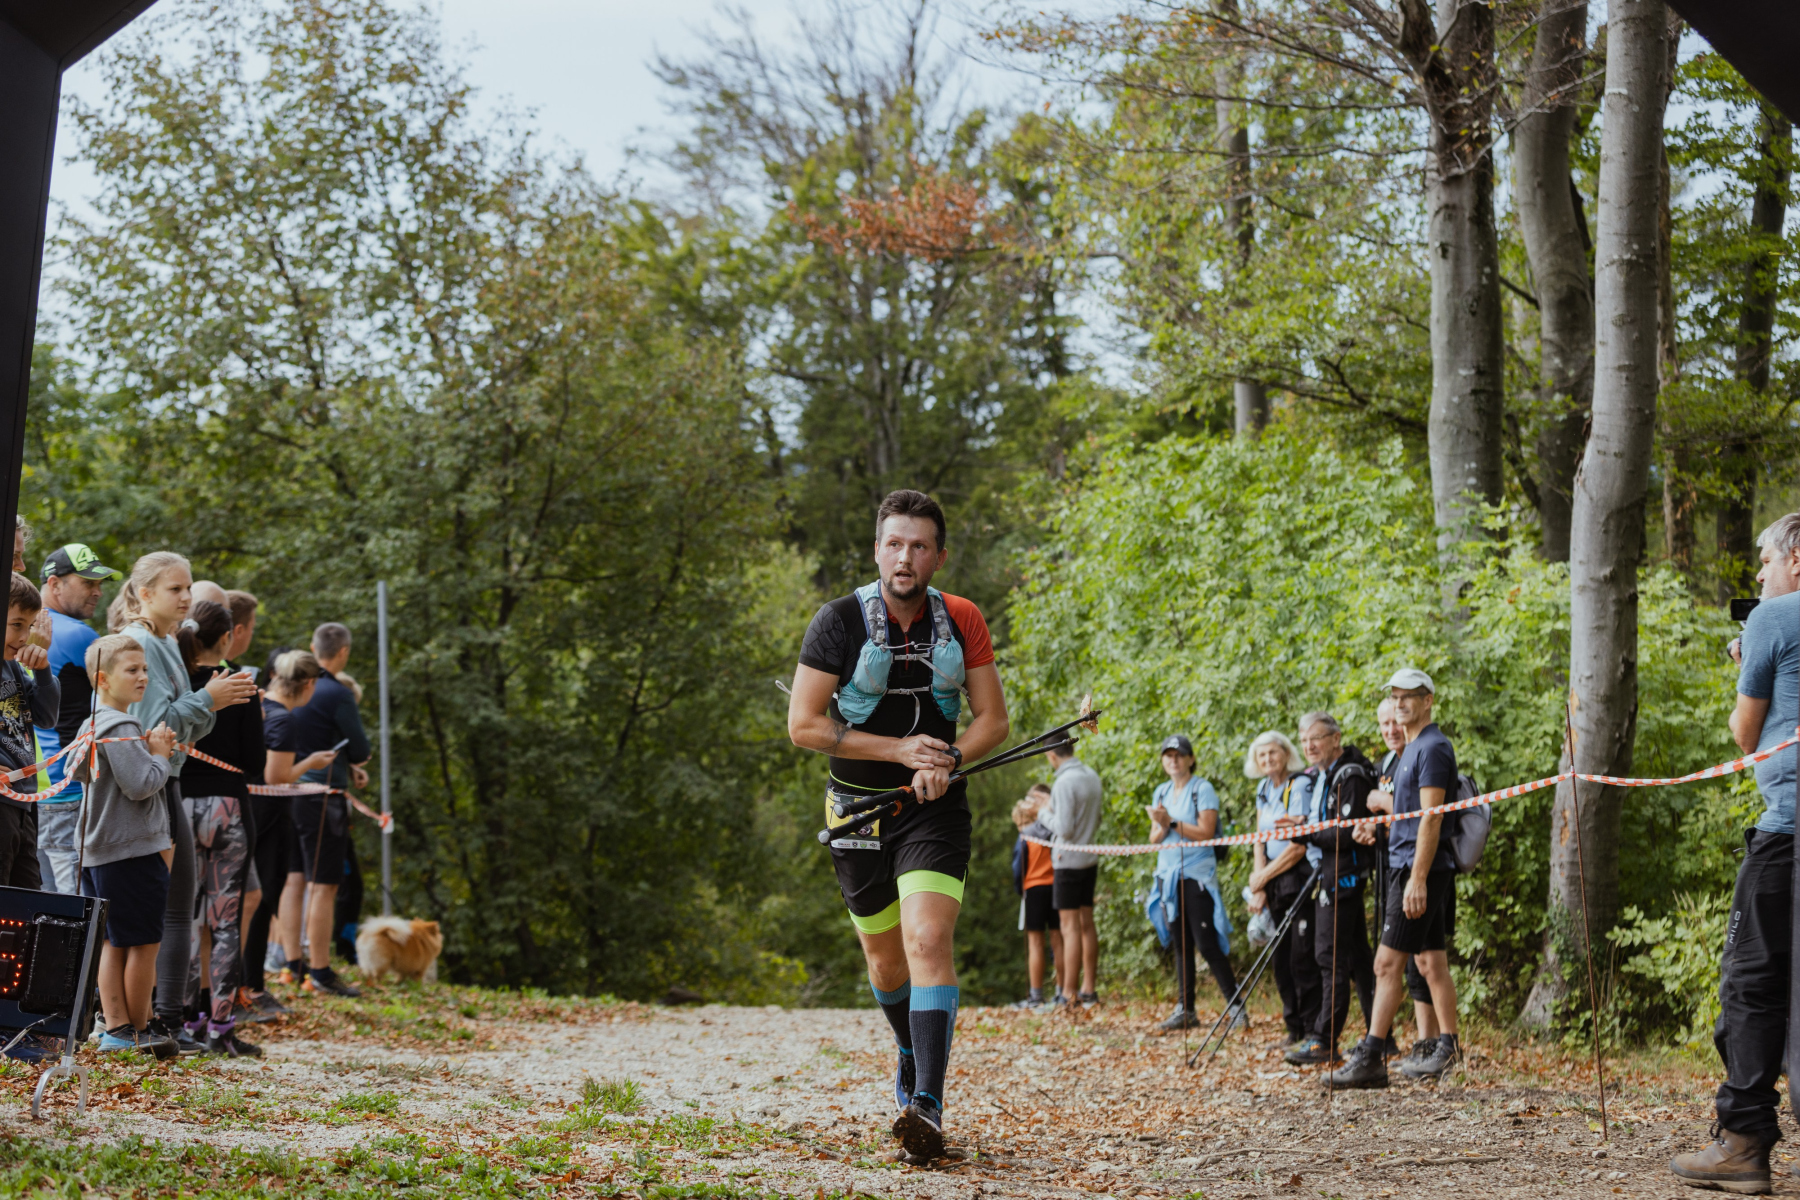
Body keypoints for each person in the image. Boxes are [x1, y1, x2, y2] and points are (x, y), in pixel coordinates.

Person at [786, 489, 1009, 1162]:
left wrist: (949, 758)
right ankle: (910, 1050)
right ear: (877, 550)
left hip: (933, 809)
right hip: (857, 809)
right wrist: (901, 751)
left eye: (918, 546)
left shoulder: (963, 618)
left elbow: (993, 721)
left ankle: (927, 1107)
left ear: (938, 556)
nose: (904, 557)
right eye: (893, 544)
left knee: (928, 937)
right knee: (885, 962)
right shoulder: (836, 622)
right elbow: (804, 726)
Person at [1671, 514, 1800, 1192]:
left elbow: (1746, 736)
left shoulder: (1773, 618)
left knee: (1751, 984)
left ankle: (1743, 1144)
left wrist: (1750, 658)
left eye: (1765, 560)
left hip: (1788, 832)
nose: (1758, 573)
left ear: (1797, 559)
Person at [117, 552, 259, 1053]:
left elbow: (187, 726)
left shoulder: (167, 642)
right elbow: (155, 725)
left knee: (179, 907)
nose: (186, 598)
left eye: (188, 588)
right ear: (144, 593)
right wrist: (208, 699)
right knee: (169, 910)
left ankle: (164, 1021)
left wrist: (210, 701)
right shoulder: (140, 642)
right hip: (150, 784)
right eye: (175, 589)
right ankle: (152, 1022)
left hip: (170, 780)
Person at [1330, 669, 1462, 1088]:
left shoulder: (1433, 748)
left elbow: (1431, 818)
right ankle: (1448, 1049)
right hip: (1409, 864)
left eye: (1409, 696)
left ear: (1428, 701)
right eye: (1395, 696)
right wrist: (1378, 828)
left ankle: (1371, 1057)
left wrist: (1417, 878)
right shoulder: (1413, 748)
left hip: (1416, 870)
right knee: (1429, 962)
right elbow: (1408, 816)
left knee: (1386, 963)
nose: (1400, 703)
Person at [70, 632, 179, 1059]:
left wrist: (144, 751)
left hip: (98, 850)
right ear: (103, 679)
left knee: (112, 941)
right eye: (131, 670)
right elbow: (141, 784)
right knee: (144, 942)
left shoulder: (91, 724)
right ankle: (139, 1028)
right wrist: (160, 754)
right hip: (131, 850)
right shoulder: (122, 725)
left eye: (145, 669)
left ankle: (115, 1027)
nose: (142, 677)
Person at [176, 601, 264, 1056]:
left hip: (182, 804)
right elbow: (255, 761)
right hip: (228, 807)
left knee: (188, 917)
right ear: (228, 638)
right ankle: (221, 1025)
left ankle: (186, 1018)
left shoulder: (178, 681)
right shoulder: (242, 686)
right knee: (225, 921)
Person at [1281, 712, 1378, 1065]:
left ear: (1335, 739)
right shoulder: (1325, 774)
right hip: (1331, 873)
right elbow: (1327, 822)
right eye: (1304, 740)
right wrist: (1303, 825)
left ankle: (1324, 1041)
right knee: (1359, 960)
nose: (1309, 746)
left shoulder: (1349, 775)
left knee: (1329, 957)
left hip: (1343, 877)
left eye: (1316, 738)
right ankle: (1380, 1038)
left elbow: (1347, 832)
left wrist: (1304, 833)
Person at [281, 622, 370, 997]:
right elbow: (361, 748)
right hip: (322, 798)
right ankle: (320, 970)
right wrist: (354, 761)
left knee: (294, 879)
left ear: (313, 647)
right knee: (324, 885)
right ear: (343, 652)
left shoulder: (288, 684)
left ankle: (292, 964)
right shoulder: (336, 692)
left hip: (285, 790)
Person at [33, 545, 121, 893]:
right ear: (55, 584)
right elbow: (120, 702)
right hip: (69, 789)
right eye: (87, 583)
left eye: (99, 583)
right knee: (75, 909)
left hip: (29, 790)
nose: (97, 591)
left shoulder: (18, 628)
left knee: (35, 906)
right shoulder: (79, 635)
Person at [1145, 734, 1240, 1033]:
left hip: (1197, 875)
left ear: (1190, 759)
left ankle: (1236, 1007)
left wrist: (1171, 822)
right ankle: (1185, 1009)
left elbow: (1206, 832)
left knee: (1206, 943)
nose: (1173, 760)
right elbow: (1154, 837)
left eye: (1179, 755)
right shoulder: (1161, 791)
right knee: (1181, 944)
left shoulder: (1202, 789)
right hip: (1168, 875)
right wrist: (1162, 825)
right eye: (1168, 755)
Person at [1245, 729, 1321, 1048]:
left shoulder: (1298, 785)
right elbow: (1259, 838)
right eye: (1262, 755)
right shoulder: (1263, 788)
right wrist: (1258, 882)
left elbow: (1298, 846)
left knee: (1301, 956)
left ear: (1286, 753)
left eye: (1273, 752)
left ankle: (1313, 1030)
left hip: (1297, 876)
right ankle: (1293, 1029)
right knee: (1279, 957)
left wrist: (1264, 876)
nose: (1268, 759)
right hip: (1272, 880)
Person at [0, 573, 59, 898]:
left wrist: (42, 670)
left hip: (23, 803)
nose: (25, 637)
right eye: (16, 625)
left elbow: (46, 717)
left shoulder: (12, 666)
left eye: (30, 626)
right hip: (2, 799)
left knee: (26, 899)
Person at [1042, 735, 1103, 1007]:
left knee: (1070, 928)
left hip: (1067, 861)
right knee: (1086, 923)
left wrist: (1041, 813)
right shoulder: (1091, 775)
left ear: (1051, 755)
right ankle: (1089, 988)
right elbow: (1097, 819)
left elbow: (1064, 829)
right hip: (1089, 857)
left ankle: (1068, 993)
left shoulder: (1064, 782)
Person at [1009, 784, 1060, 1009]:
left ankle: (1036, 995)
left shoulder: (1025, 836)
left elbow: (1018, 868)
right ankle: (1062, 991)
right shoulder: (1051, 831)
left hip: (1033, 888)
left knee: (1036, 942)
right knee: (1058, 940)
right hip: (1055, 886)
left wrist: (1020, 890)